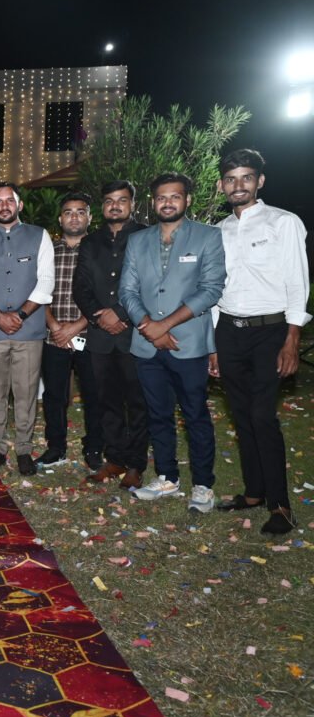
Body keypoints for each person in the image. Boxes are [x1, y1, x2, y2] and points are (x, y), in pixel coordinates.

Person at [210, 149, 310, 535]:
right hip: (228, 331)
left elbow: (298, 282)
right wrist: (214, 346)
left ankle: (280, 505)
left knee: (262, 416)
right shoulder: (218, 231)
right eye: (231, 179)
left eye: (246, 177)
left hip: (271, 332)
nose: (238, 185)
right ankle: (253, 493)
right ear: (222, 185)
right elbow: (215, 290)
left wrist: (292, 338)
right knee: (241, 413)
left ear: (260, 181)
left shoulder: (283, 222)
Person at [119, 173, 225, 512]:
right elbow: (127, 291)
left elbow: (211, 289)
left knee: (195, 415)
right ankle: (167, 476)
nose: (168, 202)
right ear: (153, 202)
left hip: (188, 343)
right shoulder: (138, 241)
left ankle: (203, 484)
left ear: (187, 199)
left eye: (175, 196)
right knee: (158, 414)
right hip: (147, 345)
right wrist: (148, 326)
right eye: (162, 197)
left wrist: (164, 325)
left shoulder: (208, 236)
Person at [0, 182, 55, 476]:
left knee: (26, 392)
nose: (4, 205)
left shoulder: (40, 236)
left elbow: (46, 282)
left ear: (19, 205)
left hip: (29, 330)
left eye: (10, 200)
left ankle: (24, 449)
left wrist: (19, 315)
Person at [72, 180, 149, 488]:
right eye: (109, 201)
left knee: (138, 404)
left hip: (135, 334)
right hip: (101, 337)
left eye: (121, 200)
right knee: (107, 402)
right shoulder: (90, 242)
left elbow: (150, 282)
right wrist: (99, 316)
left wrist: (120, 313)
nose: (115, 206)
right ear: (102, 206)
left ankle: (136, 464)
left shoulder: (146, 236)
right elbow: (81, 287)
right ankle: (115, 459)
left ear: (132, 204)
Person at [38, 192, 103, 469]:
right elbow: (37, 292)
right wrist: (55, 327)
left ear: (90, 217)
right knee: (54, 395)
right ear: (60, 218)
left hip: (90, 336)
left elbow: (106, 296)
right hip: (53, 336)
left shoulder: (99, 251)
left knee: (94, 394)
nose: (74, 217)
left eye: (80, 212)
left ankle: (94, 447)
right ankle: (56, 447)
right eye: (68, 212)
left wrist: (75, 326)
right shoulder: (48, 251)